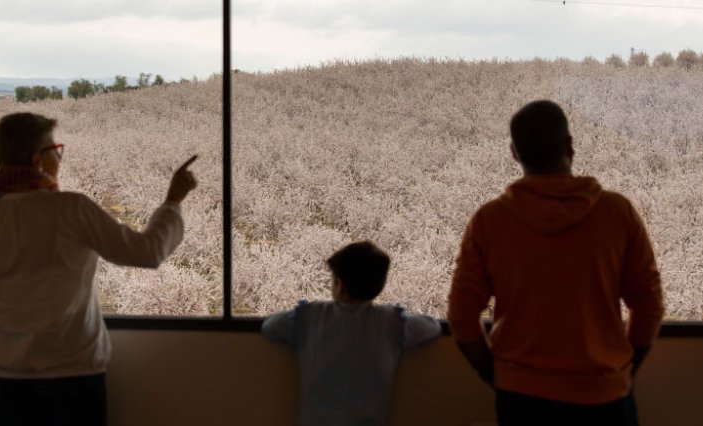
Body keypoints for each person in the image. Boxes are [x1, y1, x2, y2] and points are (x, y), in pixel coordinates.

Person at [0, 112, 198, 426]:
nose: (59, 157)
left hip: (3, 380)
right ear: (37, 160)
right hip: (72, 374)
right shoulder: (71, 209)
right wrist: (173, 201)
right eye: (55, 150)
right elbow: (147, 252)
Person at [448, 100, 664, 425]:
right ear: (570, 146)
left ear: (514, 153)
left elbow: (461, 316)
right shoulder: (617, 213)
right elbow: (649, 305)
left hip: (520, 397)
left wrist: (495, 374)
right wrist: (624, 370)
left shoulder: (489, 221)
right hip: (604, 396)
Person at [262, 241, 441, 426]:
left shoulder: (309, 316)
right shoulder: (392, 321)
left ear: (340, 285)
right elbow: (432, 328)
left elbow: (270, 326)